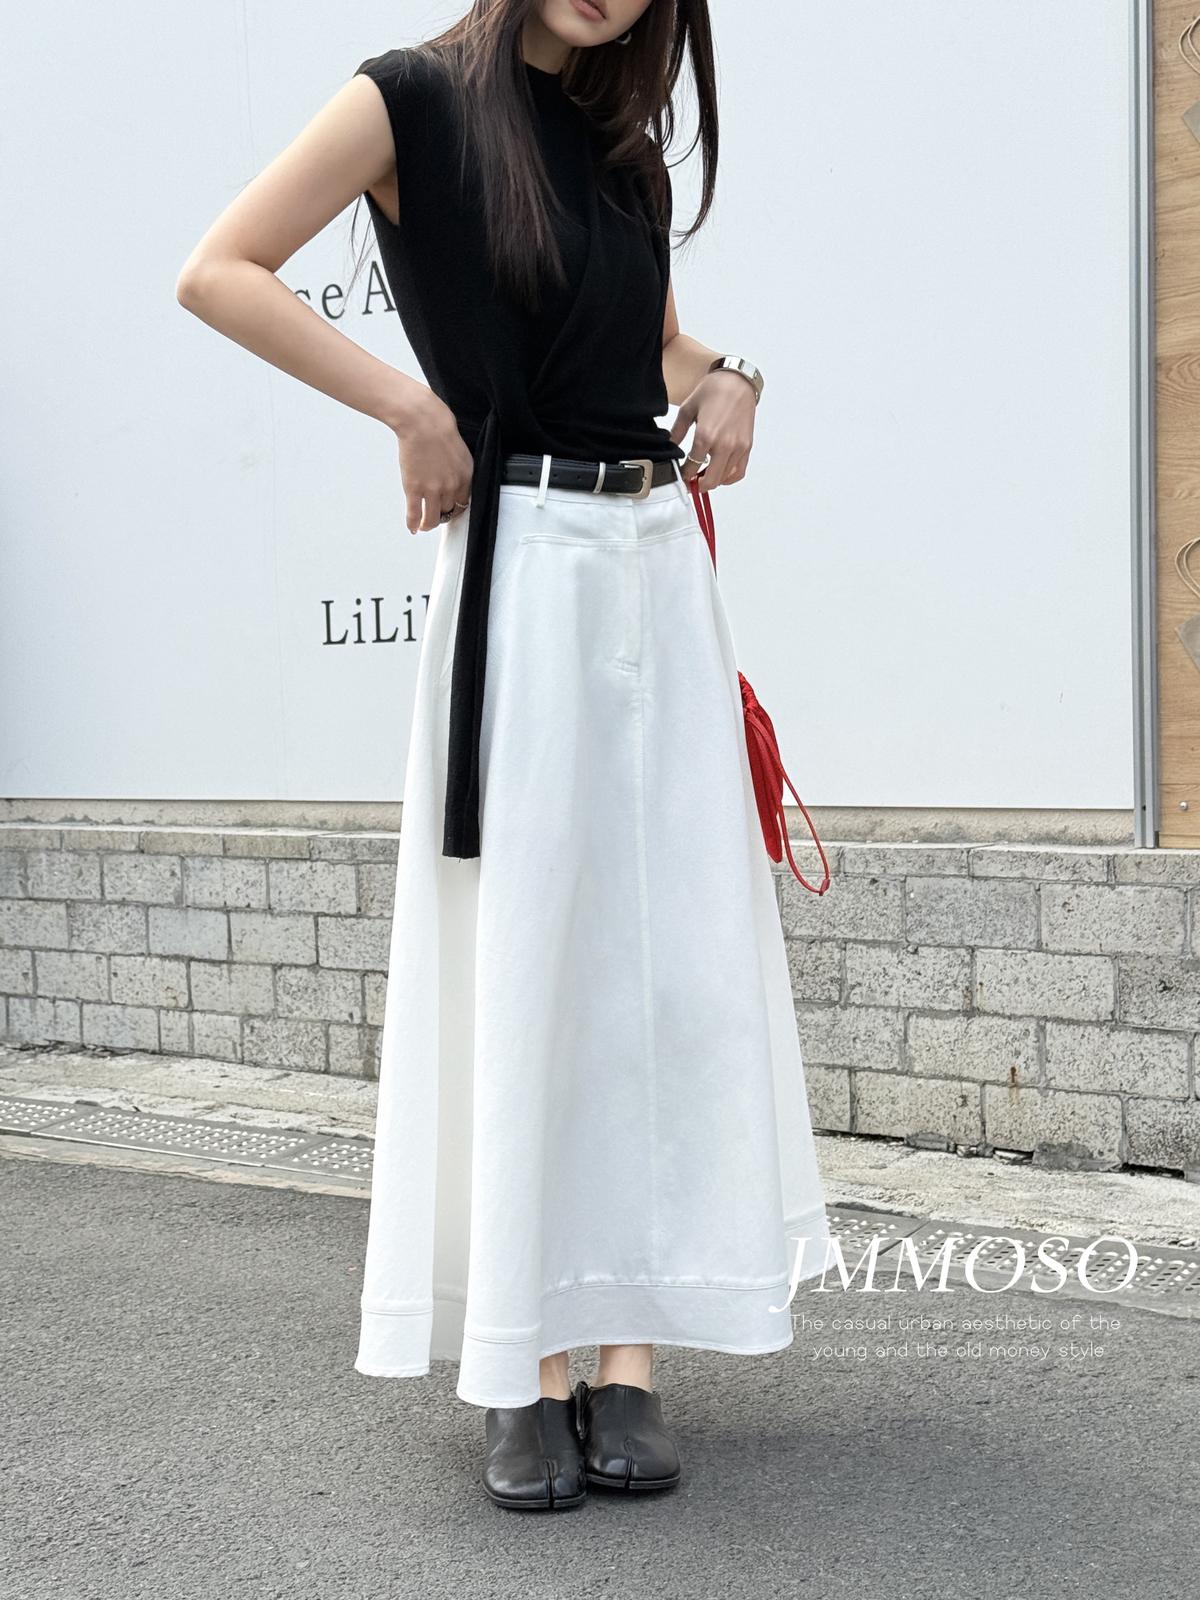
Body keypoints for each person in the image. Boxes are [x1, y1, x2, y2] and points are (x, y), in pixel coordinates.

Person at [176, 0, 832, 1513]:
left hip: (656, 567)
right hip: (522, 566)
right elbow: (220, 269)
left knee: (663, 963)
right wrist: (407, 404)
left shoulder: (620, 142)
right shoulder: (410, 100)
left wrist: (731, 372)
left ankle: (629, 1355)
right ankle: (525, 1366)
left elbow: (650, 340)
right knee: (528, 951)